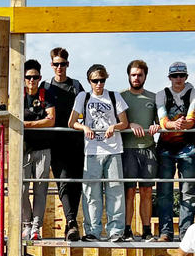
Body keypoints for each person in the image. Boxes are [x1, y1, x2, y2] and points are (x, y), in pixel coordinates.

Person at [68, 64, 129, 241]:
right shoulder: (83, 96)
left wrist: (114, 126)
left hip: (113, 149)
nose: (99, 84)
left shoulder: (114, 96)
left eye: (102, 80)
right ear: (89, 81)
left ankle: (116, 231)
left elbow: (124, 123)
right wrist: (84, 126)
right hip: (92, 150)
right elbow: (71, 122)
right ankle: (93, 230)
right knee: (91, 193)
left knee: (115, 191)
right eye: (95, 81)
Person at [41, 47, 86, 242]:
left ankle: (71, 221)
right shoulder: (45, 87)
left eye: (63, 64)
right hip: (55, 142)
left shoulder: (76, 86)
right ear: (51, 65)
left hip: (76, 142)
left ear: (68, 64)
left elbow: (89, 110)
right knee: (63, 181)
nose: (60, 67)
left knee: (76, 184)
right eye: (56, 64)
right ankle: (71, 222)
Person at [154, 62, 195, 242]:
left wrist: (183, 124)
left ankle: (186, 232)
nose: (178, 79)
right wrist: (175, 124)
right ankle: (165, 232)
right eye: (175, 76)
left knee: (189, 190)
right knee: (164, 191)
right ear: (169, 78)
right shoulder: (161, 94)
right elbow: (162, 118)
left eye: (182, 75)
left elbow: (192, 116)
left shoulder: (194, 93)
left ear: (186, 77)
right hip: (165, 147)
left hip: (187, 147)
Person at [120, 60, 160, 241]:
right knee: (129, 192)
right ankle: (127, 229)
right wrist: (130, 124)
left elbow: (161, 121)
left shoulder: (153, 97)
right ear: (128, 75)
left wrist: (157, 126)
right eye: (133, 74)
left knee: (146, 191)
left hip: (149, 149)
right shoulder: (120, 96)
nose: (136, 78)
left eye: (140, 75)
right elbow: (115, 121)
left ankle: (146, 230)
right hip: (128, 149)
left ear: (145, 76)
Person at [21, 59, 55, 240]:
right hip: (24, 149)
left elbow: (51, 120)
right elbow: (12, 120)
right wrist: (38, 124)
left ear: (40, 77)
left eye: (35, 77)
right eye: (28, 77)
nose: (32, 80)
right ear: (23, 78)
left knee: (40, 188)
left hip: (43, 148)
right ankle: (26, 224)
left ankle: (36, 227)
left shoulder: (45, 95)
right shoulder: (18, 96)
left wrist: (28, 124)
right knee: (22, 188)